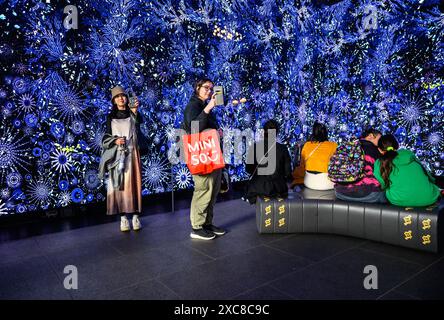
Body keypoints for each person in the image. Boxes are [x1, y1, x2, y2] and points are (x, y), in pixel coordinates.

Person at [181, 78, 225, 240]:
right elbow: (193, 129)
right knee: (203, 188)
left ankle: (207, 223)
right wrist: (209, 107)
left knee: (212, 190)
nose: (209, 91)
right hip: (201, 155)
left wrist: (217, 131)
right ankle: (197, 226)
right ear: (197, 88)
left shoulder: (203, 106)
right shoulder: (193, 106)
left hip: (210, 153)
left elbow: (206, 127)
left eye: (211, 88)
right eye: (206, 87)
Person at [98, 86, 143, 232]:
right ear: (114, 100)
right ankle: (123, 218)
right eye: (117, 97)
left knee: (134, 184)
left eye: (123, 96)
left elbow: (139, 125)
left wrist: (135, 112)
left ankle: (136, 216)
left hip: (132, 152)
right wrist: (115, 141)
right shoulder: (110, 117)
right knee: (120, 184)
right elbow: (105, 138)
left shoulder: (133, 112)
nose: (121, 98)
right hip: (118, 154)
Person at [374, 134, 440, 207]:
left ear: (379, 149)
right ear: (397, 145)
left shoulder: (379, 162)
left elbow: (383, 184)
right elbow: (427, 175)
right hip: (429, 198)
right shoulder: (409, 154)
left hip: (398, 199)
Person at [244, 120, 292, 204]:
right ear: (277, 133)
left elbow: (248, 170)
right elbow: (288, 173)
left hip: (258, 188)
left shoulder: (254, 147)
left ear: (264, 132)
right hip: (278, 189)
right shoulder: (283, 149)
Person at [334, 127, 387, 203]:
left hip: (340, 192)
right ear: (370, 136)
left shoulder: (347, 146)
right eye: (380, 139)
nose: (381, 142)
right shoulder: (375, 151)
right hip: (368, 195)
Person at [291, 122, 337, 190]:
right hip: (328, 183)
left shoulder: (307, 145)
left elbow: (302, 166)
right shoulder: (333, 145)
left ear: (313, 132)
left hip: (309, 182)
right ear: (326, 133)